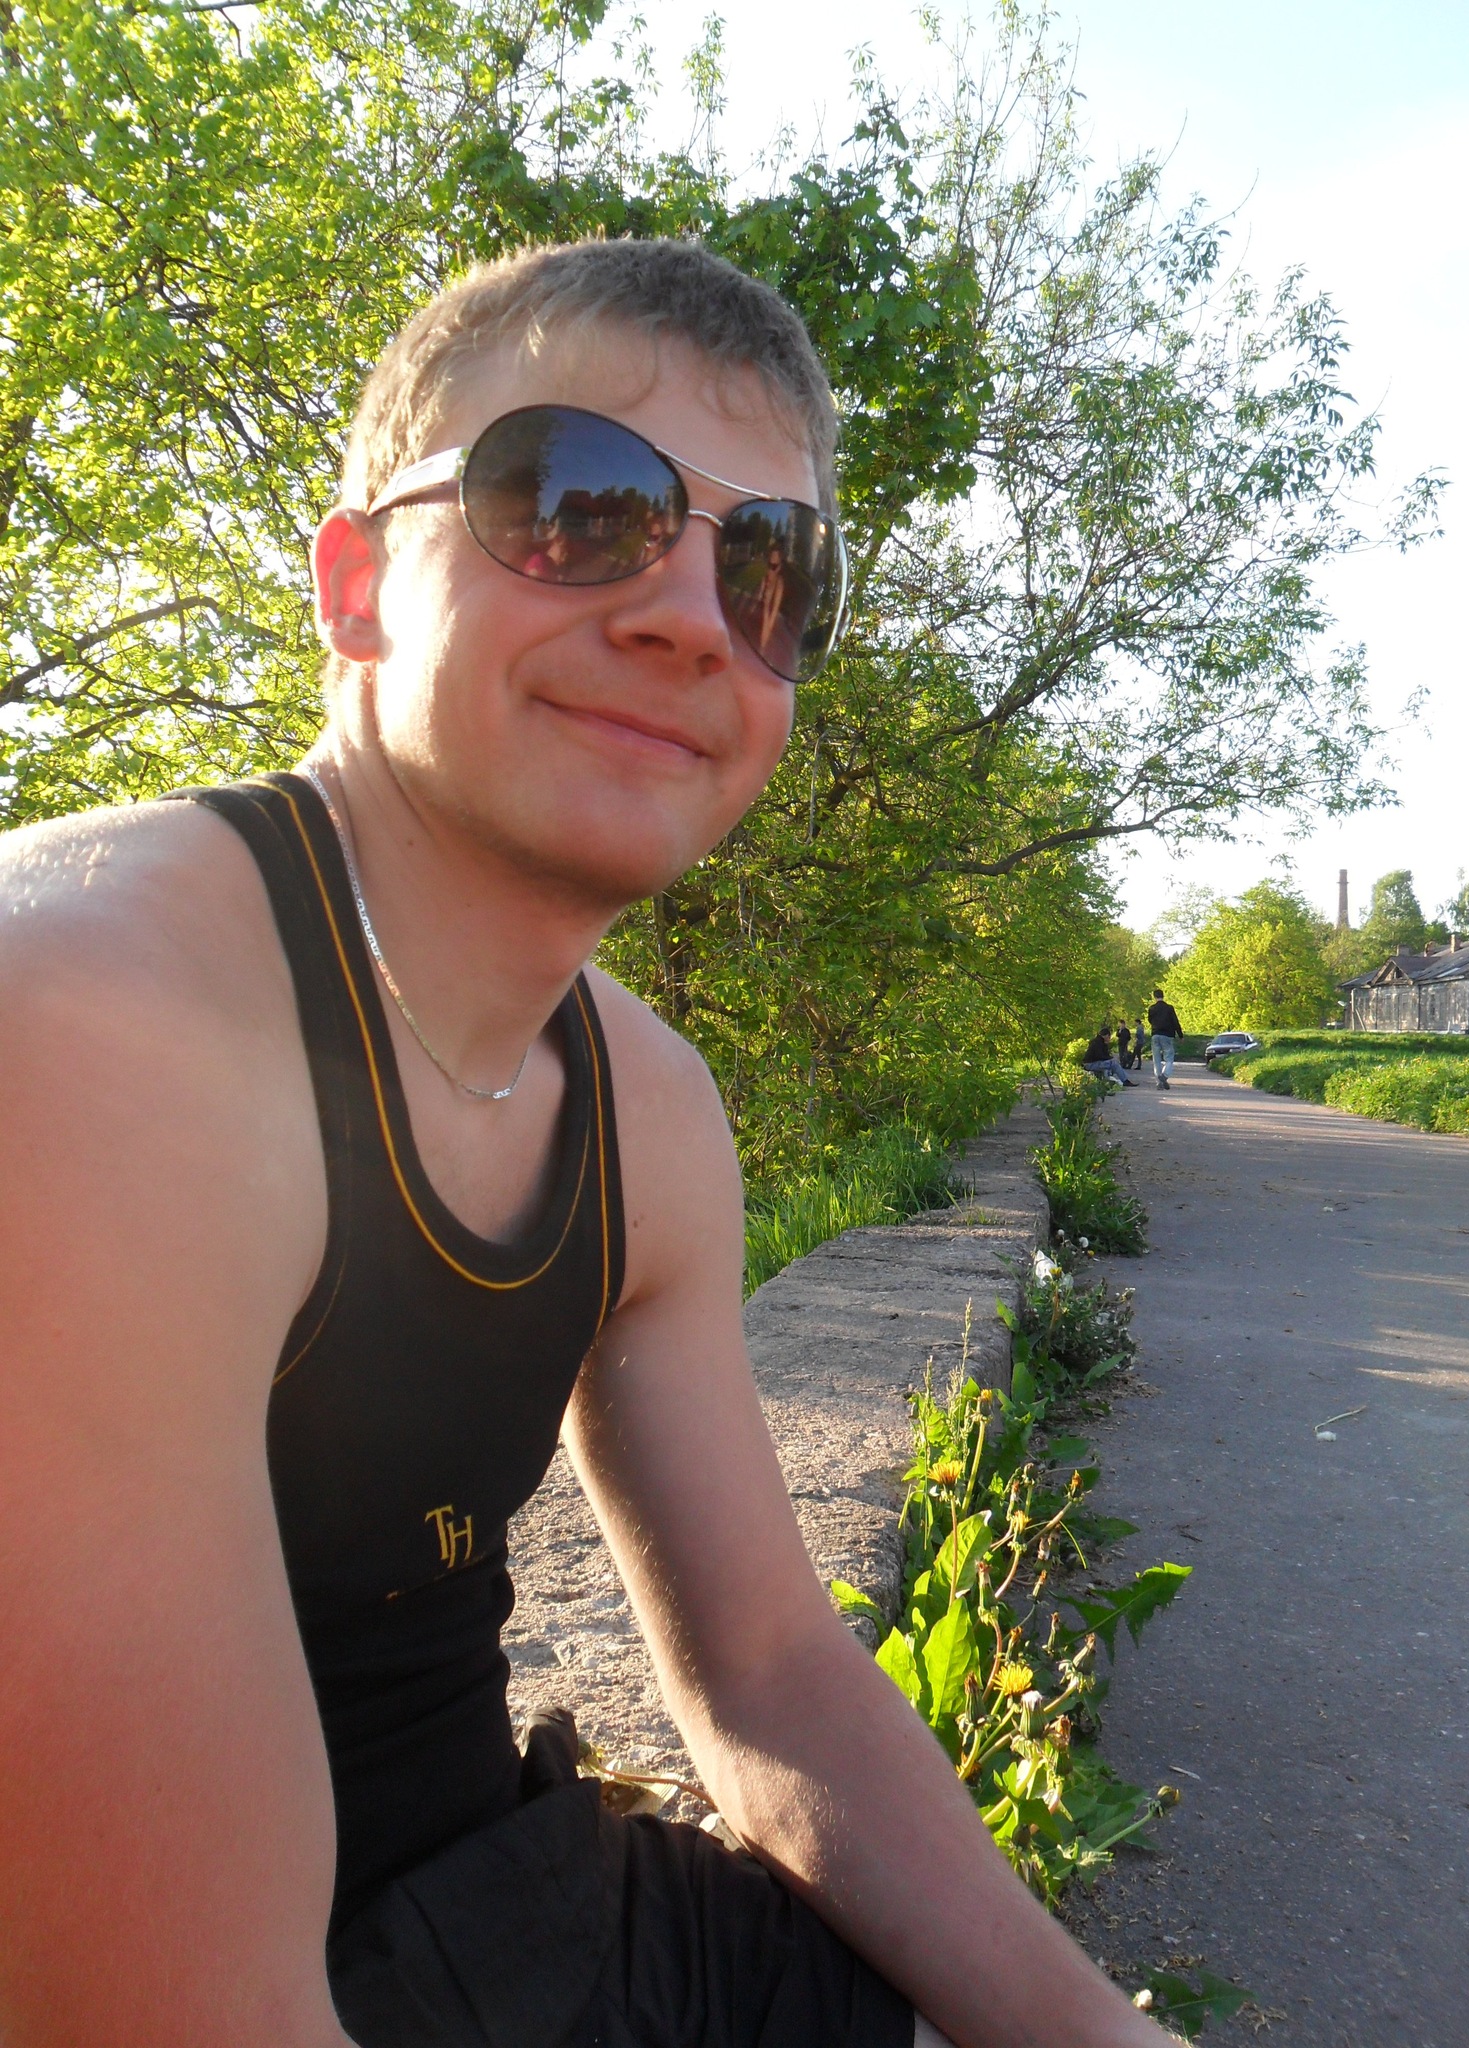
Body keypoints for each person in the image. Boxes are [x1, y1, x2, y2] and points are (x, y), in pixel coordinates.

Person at [0, 240, 1167, 2048]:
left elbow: (768, 1669)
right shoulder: (87, 1036)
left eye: (768, 569)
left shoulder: (647, 1101)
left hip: (498, 1913)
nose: (692, 617)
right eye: (573, 507)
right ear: (356, 587)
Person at [1147, 987, 1184, 1090]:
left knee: (1156, 1060)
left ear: (1154, 997)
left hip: (1155, 1034)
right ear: (1163, 996)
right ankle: (1164, 1075)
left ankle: (1159, 1082)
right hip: (1167, 1035)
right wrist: (1180, 1035)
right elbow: (1175, 1022)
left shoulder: (1152, 1008)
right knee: (1169, 1058)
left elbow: (1150, 1020)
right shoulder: (1169, 1008)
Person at [1081, 1023, 1133, 1088]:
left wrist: (1106, 1046)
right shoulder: (1097, 1043)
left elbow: (1105, 1055)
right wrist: (1110, 1058)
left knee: (1112, 1063)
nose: (1109, 1039)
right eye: (1109, 1037)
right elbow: (1100, 1056)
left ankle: (1122, 1079)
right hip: (1090, 1064)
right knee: (1114, 1063)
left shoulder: (1100, 1042)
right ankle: (1125, 1081)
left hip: (1093, 1063)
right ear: (1106, 1036)